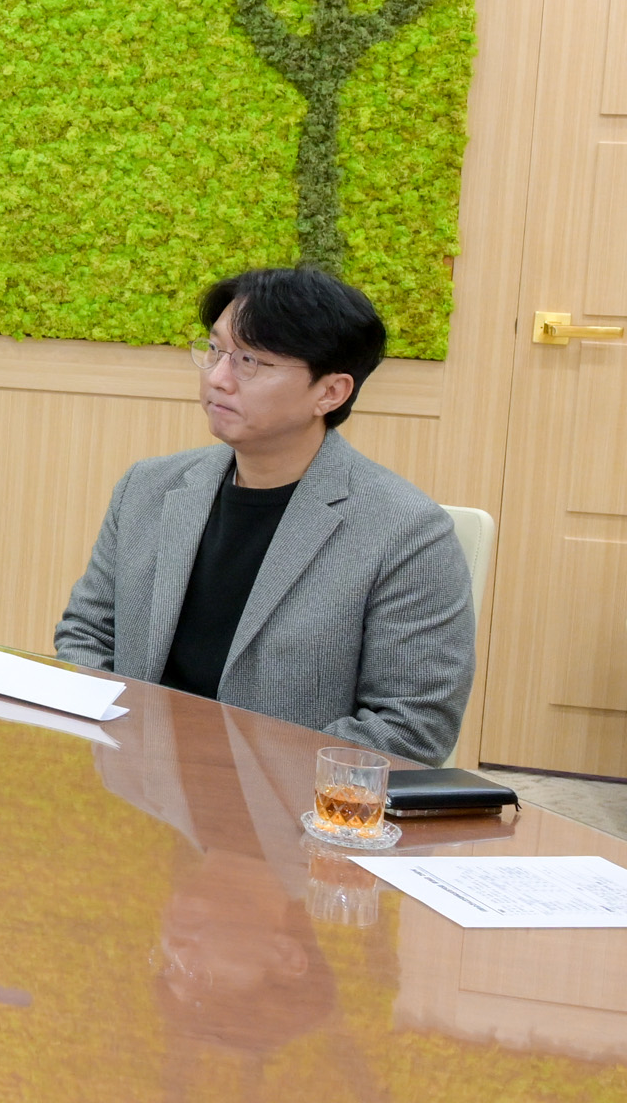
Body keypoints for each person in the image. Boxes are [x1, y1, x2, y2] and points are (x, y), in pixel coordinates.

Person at [57, 267, 472, 765]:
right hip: (139, 784)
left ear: (330, 392)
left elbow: (411, 728)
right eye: (216, 350)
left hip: (286, 801)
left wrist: (238, 783)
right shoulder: (148, 487)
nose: (217, 377)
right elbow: (88, 634)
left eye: (250, 361)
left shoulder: (408, 533)